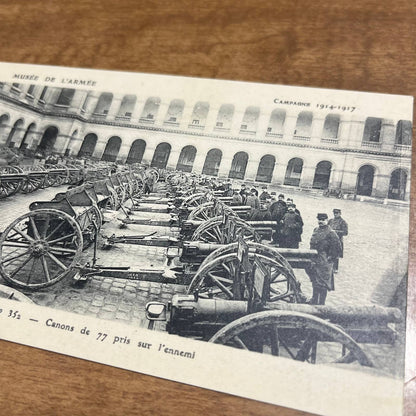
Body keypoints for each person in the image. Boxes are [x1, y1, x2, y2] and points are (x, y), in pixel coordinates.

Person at [306, 213, 342, 305]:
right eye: (319, 219)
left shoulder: (331, 233)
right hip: (314, 258)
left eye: (323, 220)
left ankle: (321, 303)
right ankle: (314, 299)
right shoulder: (316, 229)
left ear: (327, 220)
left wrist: (329, 258)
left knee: (323, 283)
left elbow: (338, 248)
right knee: (314, 280)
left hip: (324, 260)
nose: (320, 221)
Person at [328, 208, 348, 273]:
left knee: (336, 255)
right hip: (330, 240)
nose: (335, 214)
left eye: (337, 213)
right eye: (334, 213)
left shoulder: (343, 222)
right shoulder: (330, 220)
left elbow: (345, 232)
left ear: (340, 214)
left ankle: (335, 268)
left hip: (338, 240)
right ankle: (329, 266)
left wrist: (336, 232)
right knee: (329, 253)